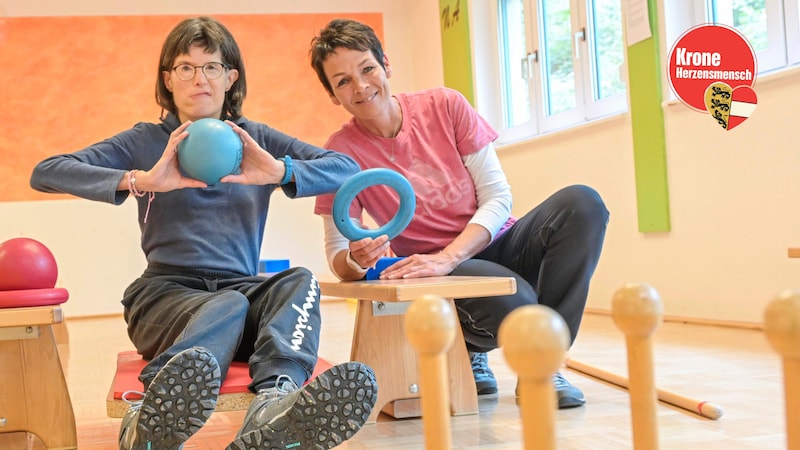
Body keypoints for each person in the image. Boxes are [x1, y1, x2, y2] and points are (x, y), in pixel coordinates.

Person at [30, 16, 378, 450]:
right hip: (163, 297)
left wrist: (279, 170)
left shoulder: (256, 139)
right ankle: (148, 416)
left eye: (211, 67)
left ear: (230, 78)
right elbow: (46, 172)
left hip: (238, 292)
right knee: (227, 304)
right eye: (186, 68)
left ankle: (273, 407)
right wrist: (140, 180)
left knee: (298, 281)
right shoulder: (146, 140)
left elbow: (346, 168)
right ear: (168, 80)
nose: (200, 79)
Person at [309, 18, 609, 408]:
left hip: (490, 244)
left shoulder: (445, 105)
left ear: (386, 65)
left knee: (583, 204)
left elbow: (498, 196)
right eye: (343, 81)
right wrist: (356, 257)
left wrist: (450, 255)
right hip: (433, 271)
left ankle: (544, 364)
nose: (361, 86)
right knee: (515, 301)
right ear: (333, 96)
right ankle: (471, 349)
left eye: (367, 69)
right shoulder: (339, 155)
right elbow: (337, 253)